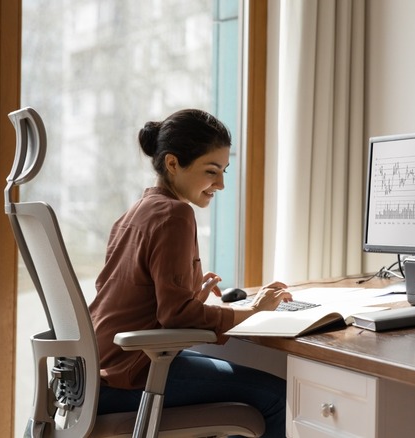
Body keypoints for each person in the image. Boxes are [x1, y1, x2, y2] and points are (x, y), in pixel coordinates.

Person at [89, 108, 292, 437]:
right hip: (133, 374)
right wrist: (254, 310)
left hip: (96, 375)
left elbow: (138, 301)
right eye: (212, 171)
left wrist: (190, 298)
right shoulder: (175, 214)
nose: (221, 184)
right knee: (279, 398)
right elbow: (175, 316)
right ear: (172, 164)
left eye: (224, 171)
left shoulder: (135, 212)